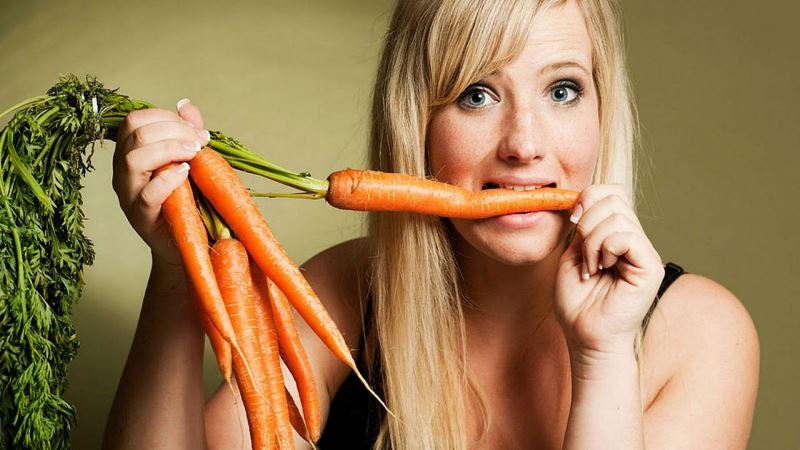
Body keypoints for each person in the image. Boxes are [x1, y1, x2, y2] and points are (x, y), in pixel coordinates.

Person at [102, 0, 759, 448]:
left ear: (600, 110)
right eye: (477, 94)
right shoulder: (343, 291)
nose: (524, 145)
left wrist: (604, 354)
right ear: (416, 124)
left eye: (562, 90)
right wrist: (174, 267)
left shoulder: (701, 335)